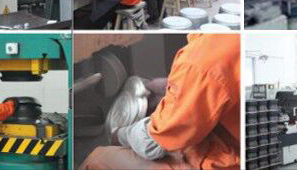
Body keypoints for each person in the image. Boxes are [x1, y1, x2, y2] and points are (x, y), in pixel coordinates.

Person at [79, 33, 240, 170]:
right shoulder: (228, 44)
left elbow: (151, 145)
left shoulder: (199, 60)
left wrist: (119, 133)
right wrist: (171, 85)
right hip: (233, 140)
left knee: (97, 159)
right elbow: (216, 84)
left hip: (223, 161)